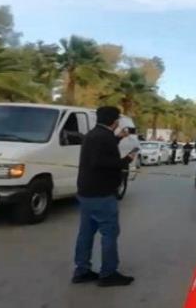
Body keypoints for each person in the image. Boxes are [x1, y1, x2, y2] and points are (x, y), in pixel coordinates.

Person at [73, 106, 137, 287]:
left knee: (86, 233)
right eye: (117, 120)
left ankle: (82, 270)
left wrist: (118, 138)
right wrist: (127, 160)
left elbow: (100, 152)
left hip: (86, 192)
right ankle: (108, 273)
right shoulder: (103, 137)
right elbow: (101, 161)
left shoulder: (94, 135)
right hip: (101, 193)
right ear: (114, 121)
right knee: (109, 233)